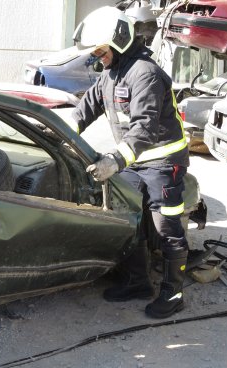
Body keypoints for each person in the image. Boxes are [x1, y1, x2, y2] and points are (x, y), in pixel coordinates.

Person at [71, 6, 189, 320]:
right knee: (129, 219)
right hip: (134, 161)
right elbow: (86, 108)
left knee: (166, 227)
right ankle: (137, 283)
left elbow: (144, 129)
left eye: (100, 51)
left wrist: (114, 160)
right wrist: (60, 132)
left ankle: (173, 294)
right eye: (95, 53)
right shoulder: (111, 73)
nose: (98, 57)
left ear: (119, 41)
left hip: (164, 162)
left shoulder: (145, 73)